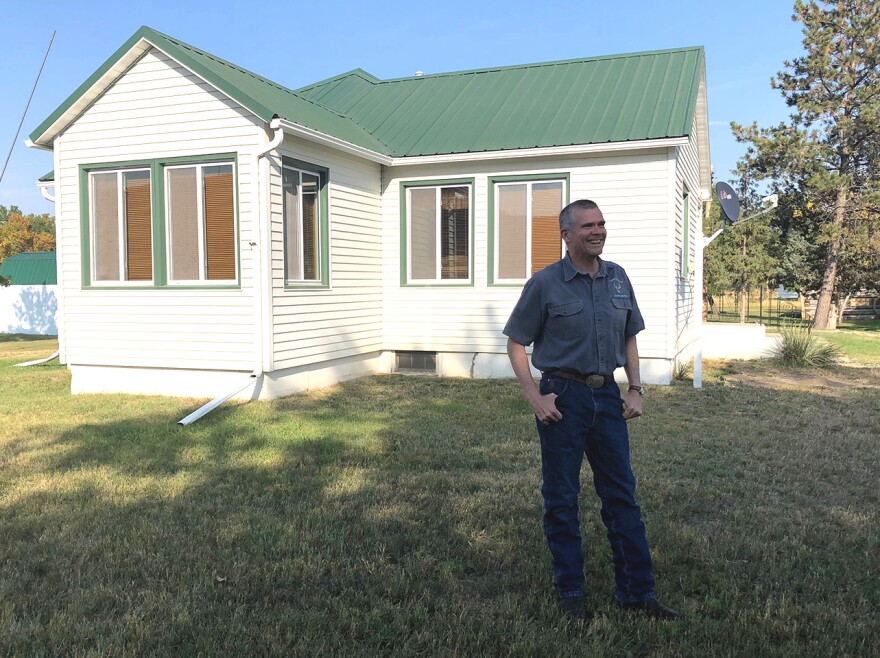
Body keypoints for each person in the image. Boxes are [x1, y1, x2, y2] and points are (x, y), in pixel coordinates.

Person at [503, 199, 680, 623]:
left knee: (622, 496)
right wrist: (535, 397)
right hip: (563, 397)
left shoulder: (618, 278)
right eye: (587, 226)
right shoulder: (546, 283)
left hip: (608, 397)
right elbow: (515, 342)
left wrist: (635, 390)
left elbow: (631, 336)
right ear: (566, 234)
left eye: (601, 223)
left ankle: (637, 592)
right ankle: (571, 593)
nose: (597, 231)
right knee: (561, 498)